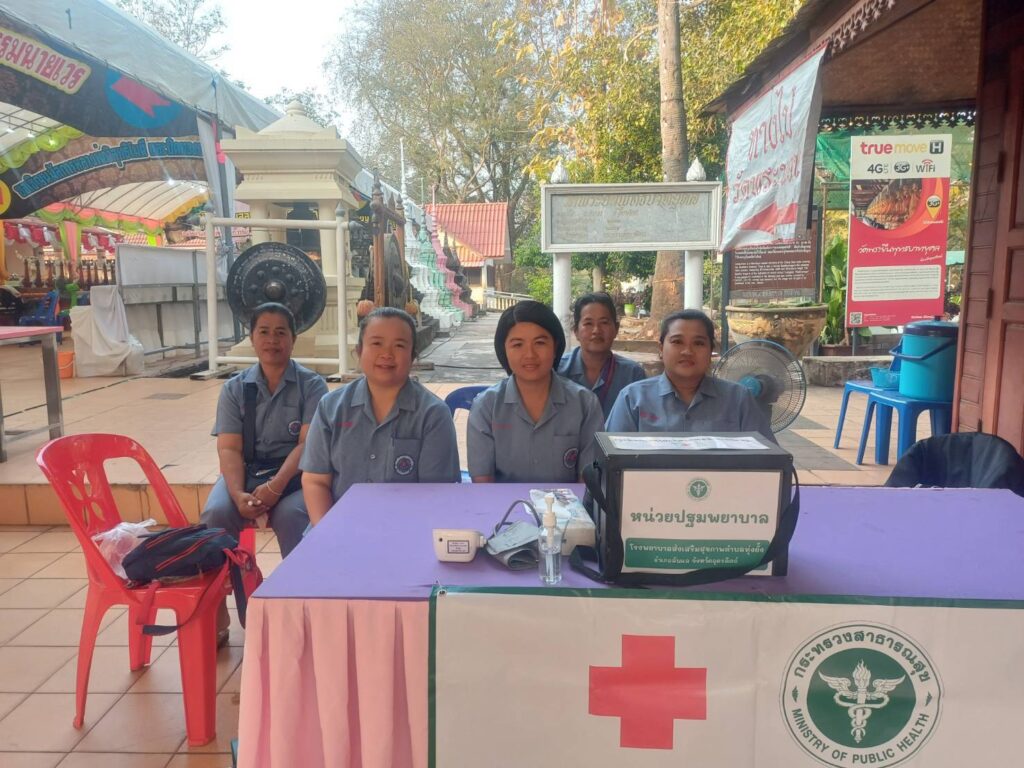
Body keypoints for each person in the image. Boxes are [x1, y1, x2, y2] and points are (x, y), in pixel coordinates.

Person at [301, 307, 460, 523]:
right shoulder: (331, 407)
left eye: (399, 345)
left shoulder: (433, 415)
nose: (387, 354)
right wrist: (328, 533)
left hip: (406, 528)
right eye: (376, 343)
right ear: (359, 351)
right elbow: (315, 481)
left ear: (413, 356)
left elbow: (435, 493)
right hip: (338, 526)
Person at [201, 302, 328, 558]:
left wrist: (276, 486)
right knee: (217, 512)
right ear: (251, 338)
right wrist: (238, 494)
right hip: (248, 471)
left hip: (296, 476)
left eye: (281, 332)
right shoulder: (235, 389)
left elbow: (307, 445)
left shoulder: (312, 386)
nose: (272, 340)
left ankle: (299, 580)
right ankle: (225, 580)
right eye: (264, 332)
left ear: (293, 339)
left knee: (292, 515)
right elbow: (229, 448)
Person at [469, 300, 605, 483]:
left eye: (540, 343)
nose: (530, 355)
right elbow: (483, 483)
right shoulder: (486, 406)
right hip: (502, 503)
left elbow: (588, 482)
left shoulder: (585, 403)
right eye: (518, 345)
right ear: (504, 350)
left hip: (569, 503)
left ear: (555, 347)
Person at [605, 309, 776, 443]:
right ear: (661, 349)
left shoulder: (738, 399)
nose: (687, 351)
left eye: (698, 343)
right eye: (677, 342)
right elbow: (609, 463)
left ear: (711, 351)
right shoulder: (632, 399)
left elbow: (769, 462)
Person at [557, 292, 646, 417]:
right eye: (588, 323)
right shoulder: (558, 370)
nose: (596, 330)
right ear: (576, 331)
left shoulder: (633, 374)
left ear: (616, 329)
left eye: (604, 322)